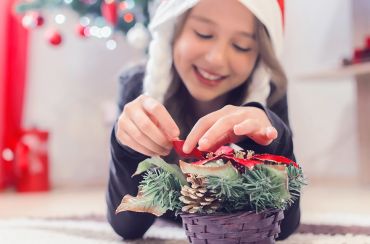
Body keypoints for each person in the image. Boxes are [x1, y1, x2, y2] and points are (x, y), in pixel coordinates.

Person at [106, 0, 300, 240]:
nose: (217, 58)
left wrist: (273, 139)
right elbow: (127, 227)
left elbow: (284, 226)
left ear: (260, 56)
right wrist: (125, 147)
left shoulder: (270, 94)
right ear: (173, 30)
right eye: (203, 34)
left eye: (241, 46)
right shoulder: (137, 86)